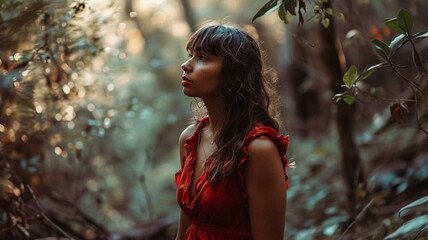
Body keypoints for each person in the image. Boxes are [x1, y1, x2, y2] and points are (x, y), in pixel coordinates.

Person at [175, 22, 289, 240]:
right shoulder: (190, 139)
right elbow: (183, 233)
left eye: (202, 58)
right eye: (191, 55)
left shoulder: (258, 149)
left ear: (234, 73)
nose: (185, 65)